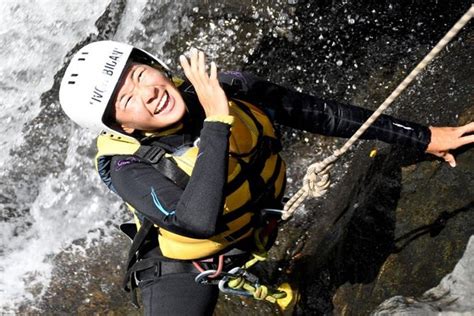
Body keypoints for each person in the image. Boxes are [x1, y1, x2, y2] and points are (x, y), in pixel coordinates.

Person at [59, 40, 473, 315]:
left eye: (137, 75)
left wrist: (423, 137)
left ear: (154, 66)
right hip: (195, 260)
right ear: (123, 127)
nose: (146, 93)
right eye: (126, 100)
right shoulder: (127, 166)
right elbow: (196, 221)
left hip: (259, 220)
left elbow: (321, 113)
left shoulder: (228, 87)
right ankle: (241, 276)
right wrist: (217, 118)